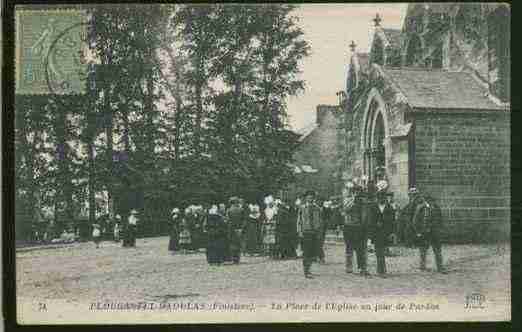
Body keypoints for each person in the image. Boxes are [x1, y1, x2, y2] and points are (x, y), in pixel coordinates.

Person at [413, 193, 447, 273]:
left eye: (431, 200)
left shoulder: (436, 208)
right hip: (424, 232)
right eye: (428, 200)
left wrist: (440, 230)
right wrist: (418, 231)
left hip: (435, 233)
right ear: (425, 201)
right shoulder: (420, 208)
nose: (430, 202)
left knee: (437, 250)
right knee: (423, 250)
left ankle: (440, 267)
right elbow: (415, 221)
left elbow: (440, 220)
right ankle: (422, 266)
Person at [341, 179, 370, 276]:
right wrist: (353, 200)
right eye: (355, 192)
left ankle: (362, 267)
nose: (357, 193)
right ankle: (349, 267)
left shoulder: (363, 202)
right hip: (349, 226)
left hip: (360, 227)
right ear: (352, 192)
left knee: (361, 248)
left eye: (358, 192)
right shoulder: (347, 200)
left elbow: (365, 214)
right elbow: (346, 208)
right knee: (349, 248)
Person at [368, 189, 395, 277]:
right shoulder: (373, 207)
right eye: (379, 197)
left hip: (385, 232)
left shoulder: (389, 207)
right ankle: (381, 270)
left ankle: (381, 270)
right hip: (376, 232)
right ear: (377, 198)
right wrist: (374, 227)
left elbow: (392, 221)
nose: (381, 199)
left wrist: (391, 232)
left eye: (383, 197)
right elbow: (370, 220)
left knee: (382, 251)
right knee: (379, 252)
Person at [297, 190, 322, 279]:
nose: (310, 198)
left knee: (312, 252)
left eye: (312, 196)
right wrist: (299, 231)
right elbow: (299, 221)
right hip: (306, 232)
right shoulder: (302, 208)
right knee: (306, 252)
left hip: (314, 232)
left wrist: (319, 232)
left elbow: (320, 221)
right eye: (308, 196)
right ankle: (306, 271)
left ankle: (309, 269)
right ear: (306, 198)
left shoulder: (317, 208)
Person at [226, 197, 245, 264]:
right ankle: (237, 258)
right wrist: (242, 228)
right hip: (239, 228)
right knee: (238, 243)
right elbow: (244, 220)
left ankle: (234, 258)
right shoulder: (241, 209)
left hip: (231, 228)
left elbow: (227, 220)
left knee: (232, 243)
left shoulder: (229, 210)